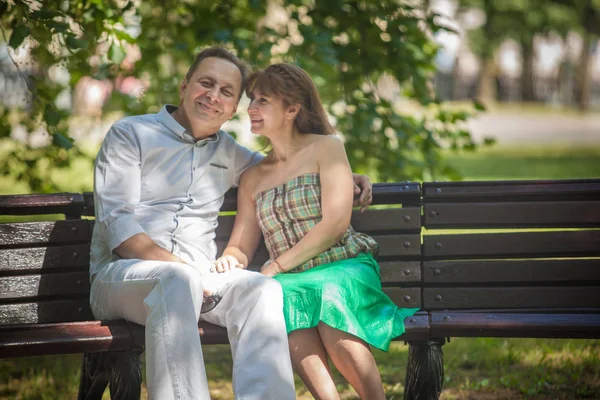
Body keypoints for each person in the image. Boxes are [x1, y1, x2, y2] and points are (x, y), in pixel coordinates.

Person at [89, 46, 373, 400]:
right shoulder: (130, 135)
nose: (213, 96)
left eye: (227, 92)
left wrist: (346, 175)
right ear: (184, 86)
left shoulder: (231, 153)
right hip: (123, 278)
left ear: (234, 106)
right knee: (177, 280)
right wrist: (187, 271)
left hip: (202, 280)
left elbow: (287, 166)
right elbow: (118, 227)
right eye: (205, 83)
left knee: (263, 290)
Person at [215, 63, 419, 400]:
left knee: (325, 294)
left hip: (343, 266)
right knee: (283, 298)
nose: (251, 108)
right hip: (294, 278)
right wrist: (229, 258)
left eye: (263, 100)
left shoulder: (326, 148)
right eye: (252, 100)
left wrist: (278, 265)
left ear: (292, 109)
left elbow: (336, 224)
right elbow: (241, 243)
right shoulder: (253, 176)